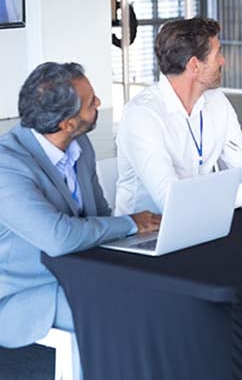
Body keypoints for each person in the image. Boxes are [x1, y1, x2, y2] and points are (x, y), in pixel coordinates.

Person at [0, 62, 160, 374]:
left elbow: (98, 214)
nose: (99, 102)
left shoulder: (79, 143)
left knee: (161, 295)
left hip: (83, 273)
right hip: (28, 294)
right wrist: (131, 223)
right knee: (127, 312)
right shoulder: (7, 166)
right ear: (68, 122)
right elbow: (58, 238)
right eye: (91, 101)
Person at [115, 18, 242, 215]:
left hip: (202, 221)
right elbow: (170, 201)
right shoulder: (142, 115)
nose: (223, 61)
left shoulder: (216, 100)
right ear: (195, 66)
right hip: (145, 235)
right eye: (217, 53)